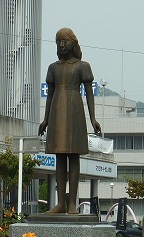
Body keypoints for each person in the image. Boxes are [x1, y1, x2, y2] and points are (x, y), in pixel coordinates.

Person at [38, 28, 101, 214]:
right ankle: (60, 203)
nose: (62, 44)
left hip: (75, 110)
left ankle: (72, 202)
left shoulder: (83, 66)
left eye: (65, 41)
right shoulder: (53, 68)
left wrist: (93, 119)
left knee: (73, 155)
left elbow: (89, 93)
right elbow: (49, 95)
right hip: (57, 111)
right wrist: (45, 119)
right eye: (58, 41)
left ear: (73, 43)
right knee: (59, 156)